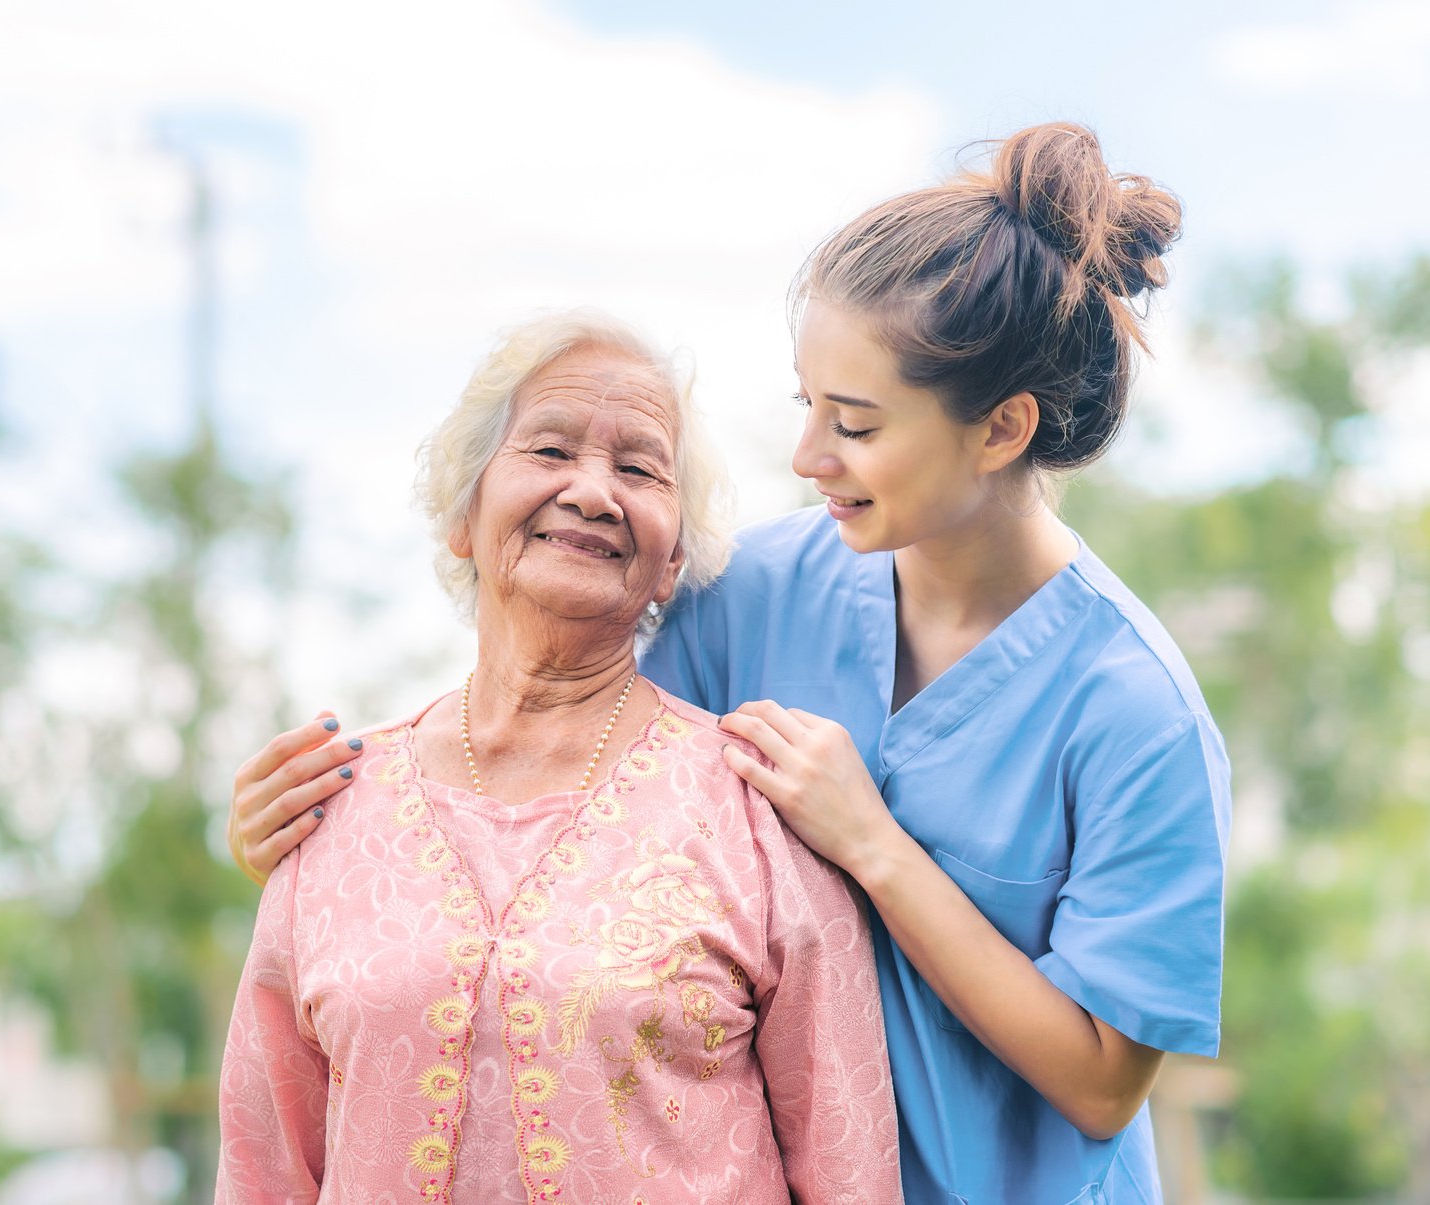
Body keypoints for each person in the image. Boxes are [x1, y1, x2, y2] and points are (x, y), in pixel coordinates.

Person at [230, 123, 1231, 1203]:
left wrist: (874, 846)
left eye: (855, 425)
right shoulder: (746, 595)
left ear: (1000, 430)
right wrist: (324, 856)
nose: (807, 457)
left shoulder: (1136, 712)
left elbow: (1101, 1083)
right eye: (809, 406)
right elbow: (573, 790)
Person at [215, 312, 903, 1204]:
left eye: (638, 469)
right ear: (463, 515)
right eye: (548, 450)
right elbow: (263, 1167)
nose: (591, 492)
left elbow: (849, 1172)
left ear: (672, 560)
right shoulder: (331, 809)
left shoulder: (757, 810)